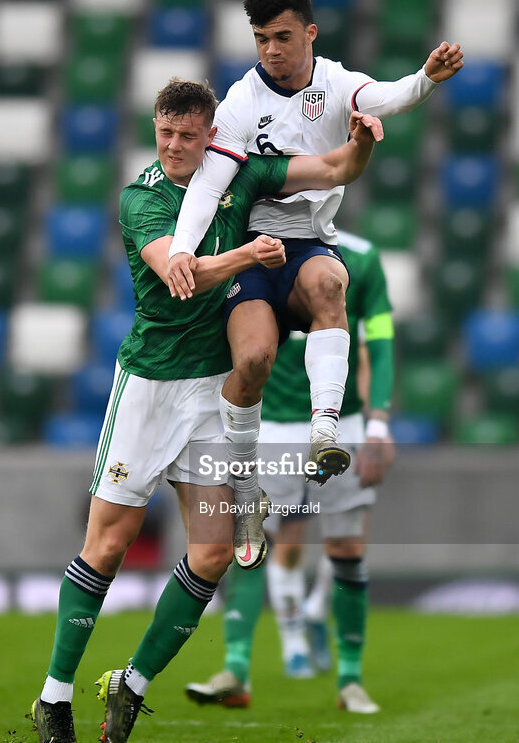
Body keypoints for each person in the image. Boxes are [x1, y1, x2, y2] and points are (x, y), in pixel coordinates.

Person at [30, 77, 382, 743]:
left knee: (215, 553)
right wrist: (248, 256)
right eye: (164, 132)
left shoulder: (238, 175)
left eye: (187, 136)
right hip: (149, 389)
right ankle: (53, 698)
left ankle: (129, 685)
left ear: (210, 134)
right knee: (108, 546)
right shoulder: (144, 198)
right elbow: (179, 273)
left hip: (210, 393)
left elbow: (330, 167)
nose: (173, 146)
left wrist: (360, 140)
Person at [166, 0, 462, 571]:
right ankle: (246, 487)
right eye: (259, 39)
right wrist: (181, 249)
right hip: (251, 250)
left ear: (310, 32)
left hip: (305, 247)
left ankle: (325, 434)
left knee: (332, 284)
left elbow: (391, 97)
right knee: (251, 363)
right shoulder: (242, 102)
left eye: (281, 36)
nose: (270, 50)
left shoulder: (337, 83)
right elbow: (209, 184)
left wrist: (426, 79)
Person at [185, 229, 394, 715]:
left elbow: (379, 342)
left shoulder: (361, 259)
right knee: (253, 541)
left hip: (341, 419)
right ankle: (235, 669)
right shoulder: (243, 245)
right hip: (271, 422)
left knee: (345, 547)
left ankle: (350, 679)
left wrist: (379, 425)